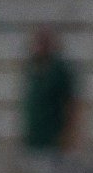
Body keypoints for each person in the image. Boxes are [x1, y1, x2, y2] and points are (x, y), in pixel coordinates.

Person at [19, 28, 79, 164]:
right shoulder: (31, 68)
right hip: (34, 138)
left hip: (53, 139)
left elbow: (73, 103)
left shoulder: (60, 70)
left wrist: (70, 134)